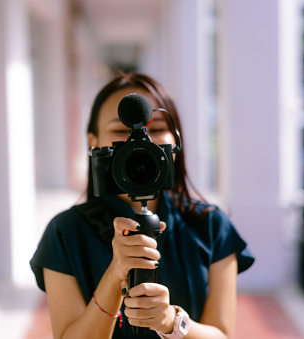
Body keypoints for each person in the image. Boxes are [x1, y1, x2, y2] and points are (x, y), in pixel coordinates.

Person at [30, 72, 254, 339]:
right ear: (93, 142)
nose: (139, 144)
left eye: (156, 129)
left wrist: (172, 321)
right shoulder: (64, 233)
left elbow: (223, 335)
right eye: (119, 131)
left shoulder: (212, 226)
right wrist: (114, 276)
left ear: (175, 140)